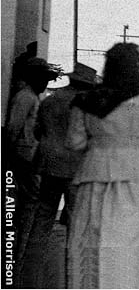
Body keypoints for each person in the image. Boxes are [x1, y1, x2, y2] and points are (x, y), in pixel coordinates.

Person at [65, 43, 139, 288]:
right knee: (128, 246)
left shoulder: (86, 101)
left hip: (92, 178)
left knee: (90, 242)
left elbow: (75, 142)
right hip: (134, 180)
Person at [20, 63, 96, 287]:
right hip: (75, 169)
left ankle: (28, 277)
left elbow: (37, 130)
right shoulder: (87, 105)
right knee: (76, 224)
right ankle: (72, 278)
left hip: (48, 166)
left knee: (42, 220)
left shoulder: (50, 100)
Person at [5, 57, 59, 279]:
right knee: (29, 204)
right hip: (24, 157)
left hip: (30, 157)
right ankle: (18, 255)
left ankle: (21, 250)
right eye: (43, 79)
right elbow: (13, 129)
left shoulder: (31, 97)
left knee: (31, 204)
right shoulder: (25, 98)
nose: (45, 84)